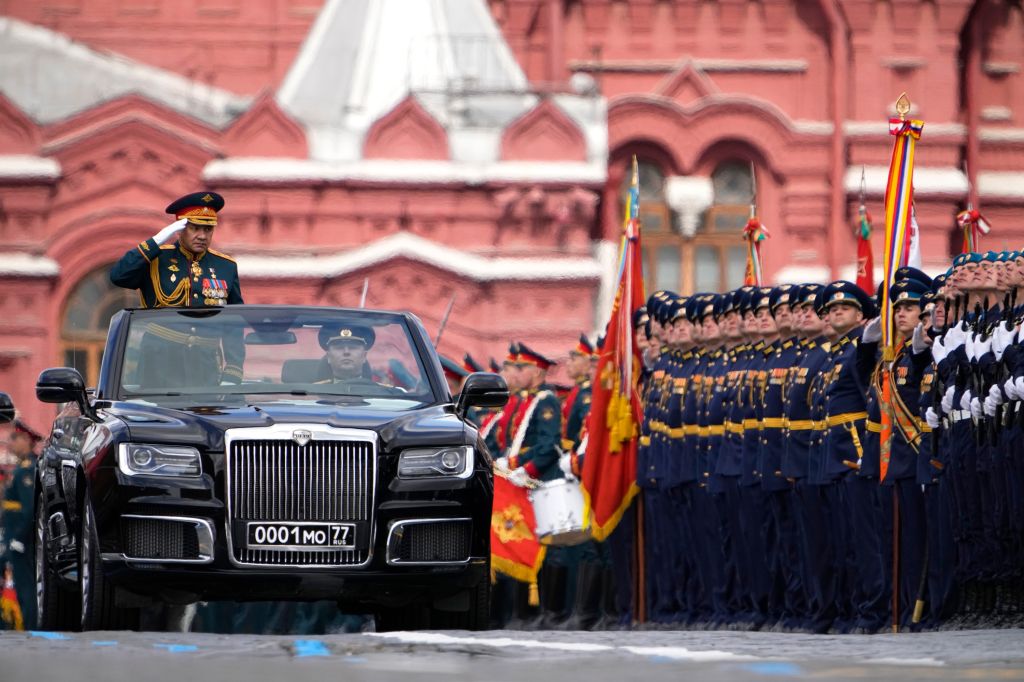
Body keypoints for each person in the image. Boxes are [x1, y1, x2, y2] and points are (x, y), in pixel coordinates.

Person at [110, 191, 245, 385]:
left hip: (205, 366)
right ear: (180, 229)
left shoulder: (225, 266)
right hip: (159, 363)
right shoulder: (157, 258)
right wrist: (156, 241)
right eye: (195, 228)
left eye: (208, 229)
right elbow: (118, 276)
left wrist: (233, 370)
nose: (202, 236)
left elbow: (234, 322)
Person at [0, 419, 42, 630]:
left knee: (25, 585)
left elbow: (29, 509)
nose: (10, 443)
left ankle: (29, 627)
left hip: (21, 540)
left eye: (14, 438)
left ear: (26, 439)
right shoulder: (21, 468)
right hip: (14, 536)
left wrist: (18, 538)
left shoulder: (26, 471)